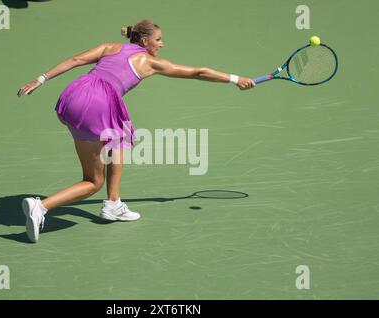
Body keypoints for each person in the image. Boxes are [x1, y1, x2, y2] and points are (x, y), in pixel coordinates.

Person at [17, 19, 255, 243]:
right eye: (159, 40)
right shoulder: (150, 63)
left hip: (74, 97)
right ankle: (42, 206)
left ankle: (113, 203)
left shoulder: (110, 47)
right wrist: (236, 79)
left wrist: (40, 79)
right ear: (144, 41)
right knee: (92, 182)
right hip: (100, 104)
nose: (162, 44)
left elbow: (76, 60)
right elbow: (198, 72)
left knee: (119, 139)